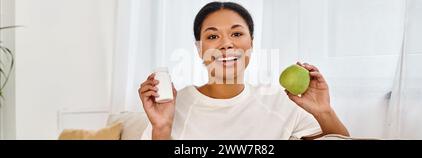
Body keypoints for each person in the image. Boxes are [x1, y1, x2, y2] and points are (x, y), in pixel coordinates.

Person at [139, 1, 349, 140]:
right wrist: (162, 128)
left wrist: (324, 112)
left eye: (237, 34)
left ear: (252, 43)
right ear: (199, 48)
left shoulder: (280, 101)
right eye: (213, 37)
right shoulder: (173, 107)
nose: (226, 44)